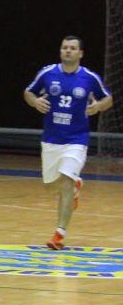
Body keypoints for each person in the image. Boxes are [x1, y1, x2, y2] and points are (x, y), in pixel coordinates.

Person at [23, 36, 112, 250]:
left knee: (66, 182)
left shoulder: (89, 77)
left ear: (80, 53)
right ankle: (74, 185)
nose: (68, 51)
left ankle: (59, 234)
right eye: (65, 48)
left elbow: (108, 98)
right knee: (50, 187)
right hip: (51, 139)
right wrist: (35, 101)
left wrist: (98, 106)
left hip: (76, 139)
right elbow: (28, 92)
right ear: (60, 51)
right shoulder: (47, 73)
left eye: (72, 48)